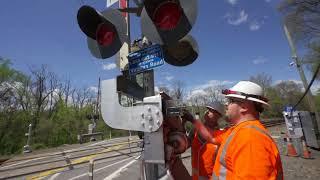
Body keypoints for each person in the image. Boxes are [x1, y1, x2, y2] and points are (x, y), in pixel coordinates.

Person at [176, 81, 283, 180]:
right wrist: (192, 120)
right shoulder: (236, 131)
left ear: (244, 107)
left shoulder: (251, 138)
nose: (227, 104)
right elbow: (212, 137)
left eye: (231, 101)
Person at [184, 102, 225, 180]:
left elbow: (208, 134)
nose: (206, 112)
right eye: (207, 110)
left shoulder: (221, 133)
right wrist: (182, 123)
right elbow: (184, 145)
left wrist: (193, 120)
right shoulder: (195, 130)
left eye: (210, 111)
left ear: (218, 115)